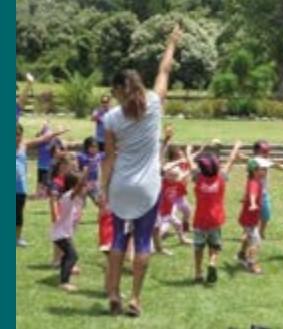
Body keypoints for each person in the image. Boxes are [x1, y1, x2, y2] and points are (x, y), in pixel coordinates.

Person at [101, 25, 182, 317]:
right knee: (144, 241)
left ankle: (113, 293)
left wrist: (102, 188)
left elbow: (109, 158)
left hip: (121, 186)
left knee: (118, 240)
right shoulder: (154, 104)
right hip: (148, 186)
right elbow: (164, 71)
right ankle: (135, 298)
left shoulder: (111, 118)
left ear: (119, 90)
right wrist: (171, 43)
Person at [185, 141, 242, 284]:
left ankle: (198, 273)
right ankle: (212, 262)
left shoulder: (198, 177)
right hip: (216, 220)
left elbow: (190, 163)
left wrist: (188, 151)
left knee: (198, 247)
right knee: (214, 245)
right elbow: (230, 160)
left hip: (199, 220)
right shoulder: (221, 177)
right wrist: (236, 146)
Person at [16, 123, 67, 247]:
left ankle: (17, 238)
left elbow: (43, 138)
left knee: (18, 213)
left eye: (18, 134)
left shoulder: (24, 145)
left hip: (20, 187)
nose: (16, 137)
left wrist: (57, 133)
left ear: (22, 135)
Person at [50, 171, 88, 292]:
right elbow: (77, 189)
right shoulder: (68, 196)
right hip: (60, 235)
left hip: (63, 234)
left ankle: (68, 269)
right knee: (72, 255)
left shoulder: (74, 199)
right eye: (83, 185)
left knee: (68, 255)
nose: (85, 187)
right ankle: (64, 282)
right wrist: (86, 172)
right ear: (75, 186)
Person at [236, 159, 269, 274]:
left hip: (250, 217)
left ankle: (241, 254)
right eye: (262, 169)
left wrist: (245, 199)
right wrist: (253, 203)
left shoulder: (253, 181)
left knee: (248, 237)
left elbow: (248, 193)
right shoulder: (254, 183)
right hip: (249, 219)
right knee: (255, 240)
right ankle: (252, 264)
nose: (265, 172)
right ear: (254, 171)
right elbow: (253, 193)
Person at [252, 140, 274, 239]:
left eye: (267, 151)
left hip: (264, 193)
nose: (266, 154)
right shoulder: (254, 161)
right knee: (253, 215)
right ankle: (252, 232)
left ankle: (261, 231)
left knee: (266, 214)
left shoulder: (267, 161)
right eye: (264, 151)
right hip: (254, 193)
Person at [77, 136, 105, 207]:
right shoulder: (83, 156)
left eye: (95, 147)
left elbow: (111, 154)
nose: (94, 149)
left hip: (94, 183)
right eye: (92, 147)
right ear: (87, 147)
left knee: (98, 202)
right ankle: (76, 216)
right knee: (80, 204)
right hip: (84, 183)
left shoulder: (99, 155)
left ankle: (103, 216)